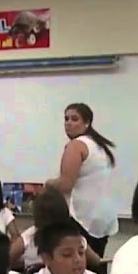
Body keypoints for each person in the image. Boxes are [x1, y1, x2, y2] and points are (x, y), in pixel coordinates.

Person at [49, 103, 118, 258]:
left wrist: (49, 183)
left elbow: (65, 184)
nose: (68, 123)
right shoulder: (100, 145)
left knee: (78, 267)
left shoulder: (76, 145)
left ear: (86, 123)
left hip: (82, 217)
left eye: (74, 119)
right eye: (66, 119)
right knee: (96, 267)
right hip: (103, 218)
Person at [9, 184, 102, 271]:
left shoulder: (28, 237)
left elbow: (6, 259)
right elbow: (96, 261)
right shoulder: (74, 237)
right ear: (64, 211)